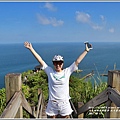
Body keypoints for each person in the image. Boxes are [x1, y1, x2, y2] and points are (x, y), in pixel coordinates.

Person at [24, 41, 92, 118]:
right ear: (53, 64)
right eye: (56, 63)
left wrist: (86, 50)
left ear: (62, 63)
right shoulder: (50, 72)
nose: (58, 65)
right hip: (52, 103)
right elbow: (40, 60)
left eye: (60, 63)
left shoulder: (67, 71)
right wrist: (31, 49)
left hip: (64, 102)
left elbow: (77, 61)